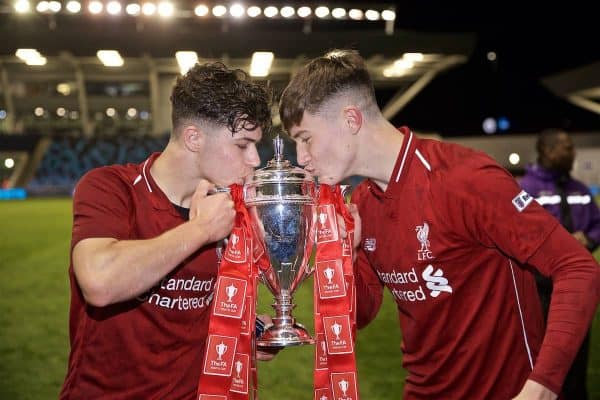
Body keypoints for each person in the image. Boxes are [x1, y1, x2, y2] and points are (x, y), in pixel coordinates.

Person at [278, 49, 600, 400]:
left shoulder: (465, 180)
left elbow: (577, 267)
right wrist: (347, 257)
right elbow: (360, 314)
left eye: (305, 138)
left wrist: (542, 386)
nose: (301, 159)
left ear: (351, 120)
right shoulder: (363, 205)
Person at [60, 62, 273, 399]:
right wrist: (200, 230)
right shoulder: (111, 187)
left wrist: (246, 327)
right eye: (243, 144)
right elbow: (99, 282)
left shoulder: (230, 209)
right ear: (193, 138)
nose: (255, 159)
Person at [520, 129, 600, 400]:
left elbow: (597, 225)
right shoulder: (525, 189)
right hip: (539, 291)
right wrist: (558, 243)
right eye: (565, 147)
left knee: (576, 358)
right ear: (547, 150)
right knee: (542, 362)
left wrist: (587, 239)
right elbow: (517, 234)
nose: (572, 152)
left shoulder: (580, 189)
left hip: (577, 290)